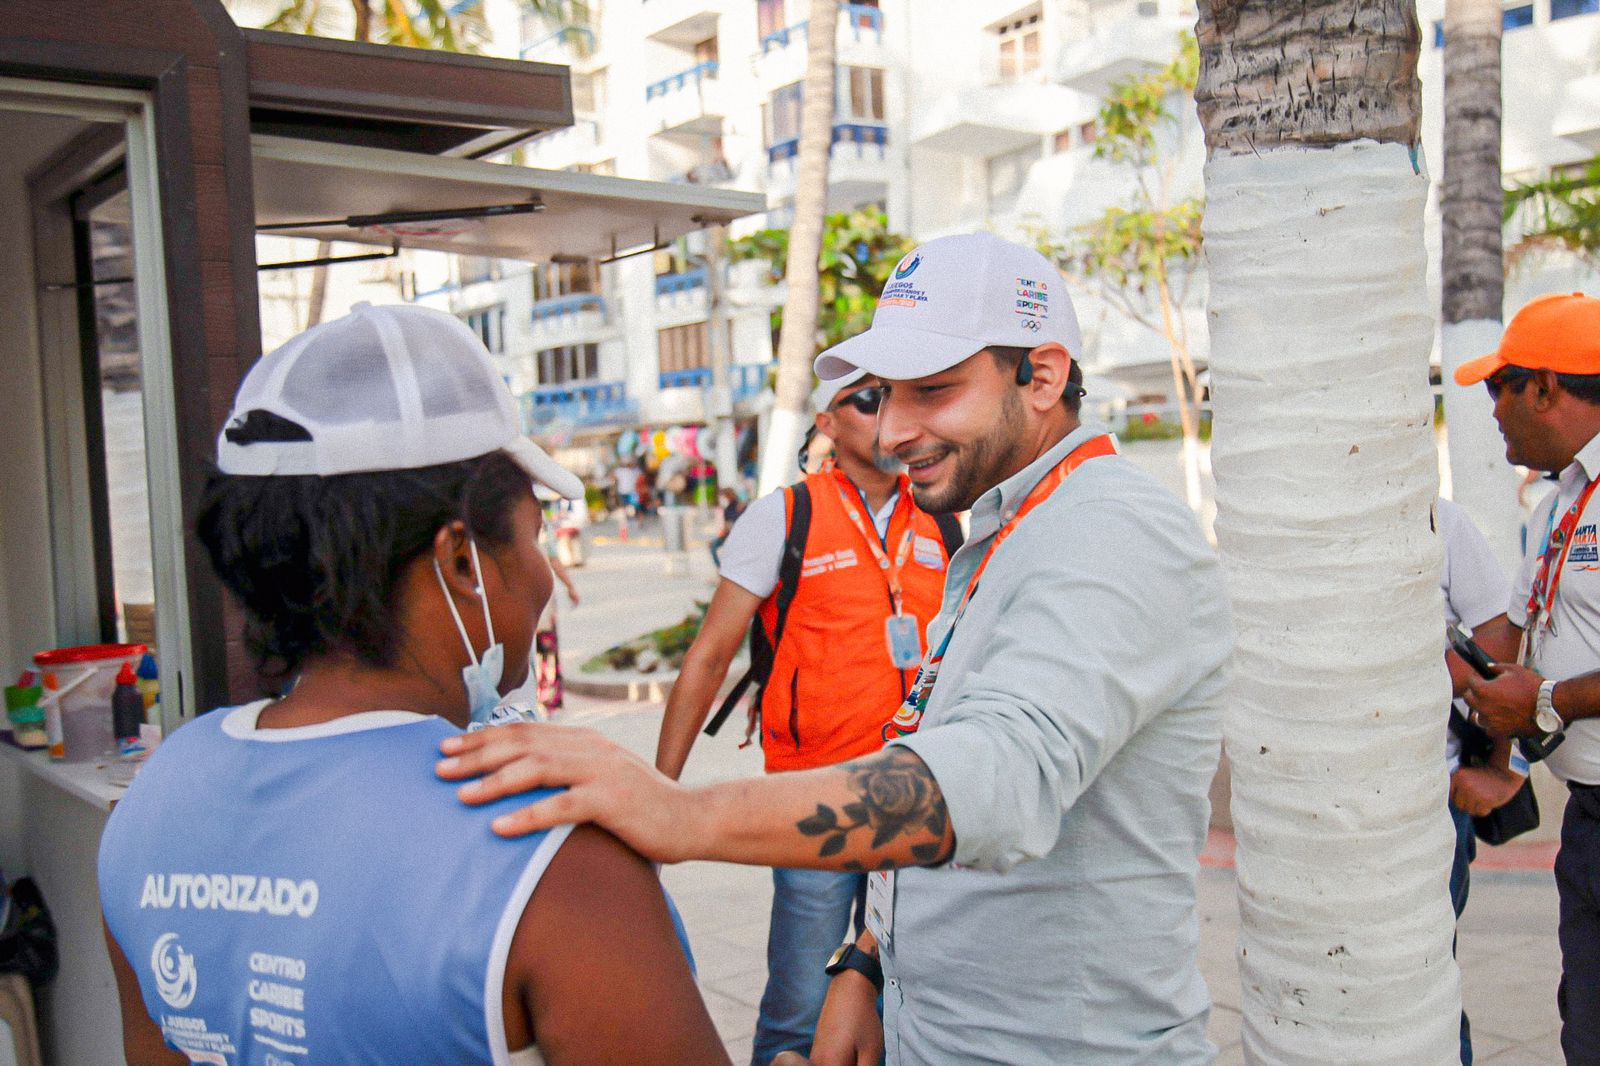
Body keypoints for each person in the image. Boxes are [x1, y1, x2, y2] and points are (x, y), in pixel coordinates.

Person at [437, 232, 1235, 1065]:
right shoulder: (1007, 525)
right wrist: (867, 963)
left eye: (932, 391)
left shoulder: (1112, 529)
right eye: (885, 395)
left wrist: (683, 814)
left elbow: (996, 776)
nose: (894, 431)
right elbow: (934, 737)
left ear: (1039, 375)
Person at [96, 305, 726, 1065]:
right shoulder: (550, 847)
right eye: (531, 537)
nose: (546, 575)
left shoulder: (151, 803)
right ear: (462, 560)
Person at [656, 369, 954, 1065]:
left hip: (916, 795)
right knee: (799, 1009)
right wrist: (660, 799)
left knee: (905, 1004)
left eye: (902, 396)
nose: (889, 414)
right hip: (815, 802)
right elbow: (707, 658)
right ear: (826, 422)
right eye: (868, 400)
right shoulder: (783, 517)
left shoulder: (941, 515)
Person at [1455, 292, 1600, 1066]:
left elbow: (1534, 683)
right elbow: (1512, 639)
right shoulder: (1561, 504)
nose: (1493, 412)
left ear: (1545, 387)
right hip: (1587, 819)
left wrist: (1543, 701)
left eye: (1497, 389)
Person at [1437, 497, 1527, 1065]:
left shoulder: (1438, 521)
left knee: (1424, 982)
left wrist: (1501, 767)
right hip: (1301, 806)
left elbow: (1501, 644)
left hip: (1433, 801)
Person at [709, 487, 745, 568]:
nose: (724, 499)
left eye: (724, 496)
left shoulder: (740, 506)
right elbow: (726, 526)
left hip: (738, 536)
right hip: (728, 535)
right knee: (713, 546)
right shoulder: (727, 509)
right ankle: (721, 568)